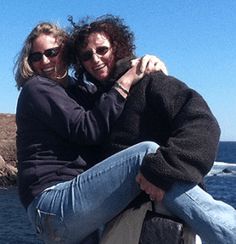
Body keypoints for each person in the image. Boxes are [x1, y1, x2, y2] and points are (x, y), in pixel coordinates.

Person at [71, 15, 236, 243]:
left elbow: (202, 123)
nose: (96, 59)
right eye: (87, 55)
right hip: (122, 218)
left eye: (102, 49)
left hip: (160, 212)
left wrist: (162, 169)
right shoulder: (98, 102)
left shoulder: (150, 81)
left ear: (118, 47)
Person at [14, 22, 168, 243]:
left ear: (65, 52)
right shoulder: (37, 88)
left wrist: (145, 65)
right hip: (53, 202)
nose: (44, 61)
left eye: (51, 53)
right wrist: (127, 78)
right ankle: (227, 231)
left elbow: (110, 108)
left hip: (73, 204)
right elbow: (88, 129)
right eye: (36, 57)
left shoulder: (81, 90)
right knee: (149, 154)